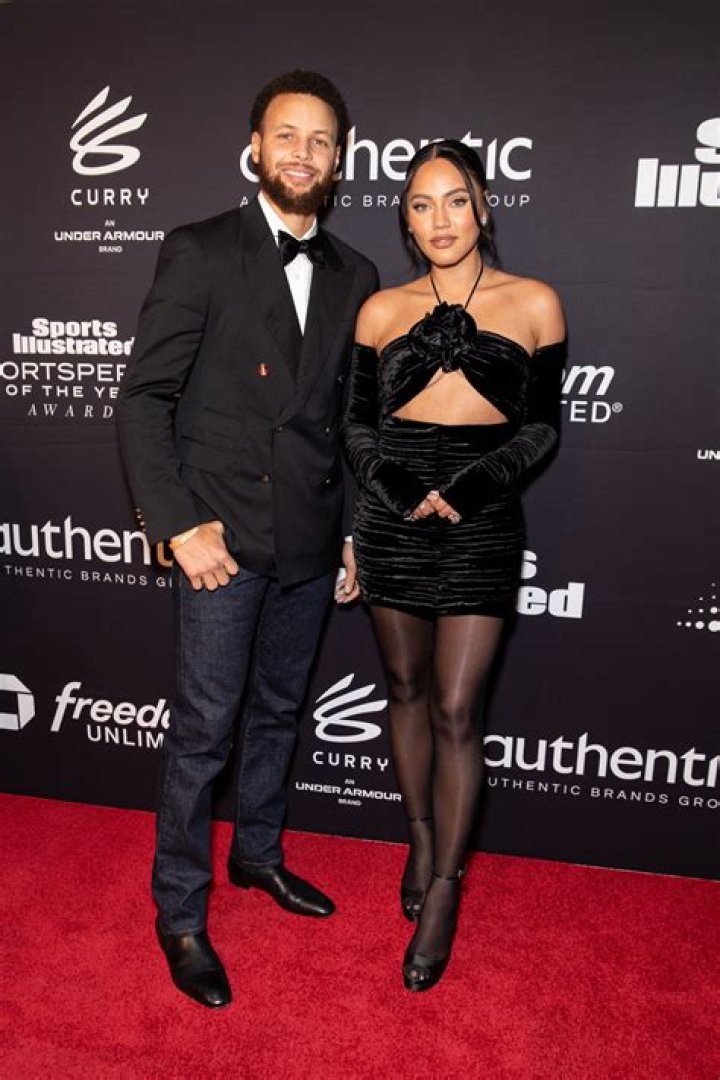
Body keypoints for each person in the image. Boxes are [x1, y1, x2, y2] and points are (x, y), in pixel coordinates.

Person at [117, 70, 378, 1008]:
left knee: (278, 713)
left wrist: (354, 531)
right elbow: (144, 398)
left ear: (340, 159)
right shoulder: (199, 250)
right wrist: (176, 523)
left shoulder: (357, 275)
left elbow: (353, 421)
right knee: (203, 733)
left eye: (321, 140)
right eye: (287, 136)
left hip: (310, 538)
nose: (303, 153)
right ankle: (180, 912)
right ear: (256, 148)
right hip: (219, 541)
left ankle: (257, 854)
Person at [342, 139, 565, 992]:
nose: (440, 219)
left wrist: (471, 488)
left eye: (455, 200)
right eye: (421, 203)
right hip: (393, 513)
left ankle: (444, 889)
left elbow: (541, 427)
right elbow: (357, 426)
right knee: (403, 690)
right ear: (405, 218)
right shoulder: (379, 310)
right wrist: (401, 489)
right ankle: (421, 837)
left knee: (457, 708)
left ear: (483, 206)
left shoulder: (535, 302)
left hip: (483, 516)